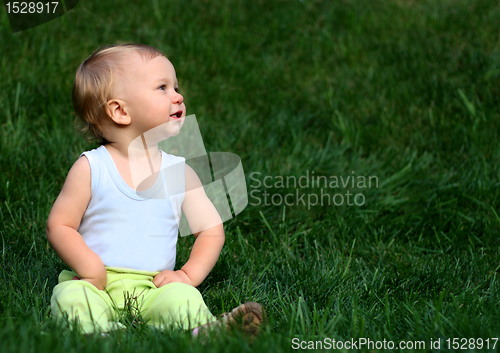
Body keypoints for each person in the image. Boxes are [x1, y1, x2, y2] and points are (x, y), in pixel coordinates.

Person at [46, 43, 265, 337]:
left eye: (176, 86)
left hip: (153, 286)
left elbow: (211, 230)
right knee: (71, 298)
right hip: (94, 281)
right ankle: (96, 333)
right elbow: (60, 225)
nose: (179, 96)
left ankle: (209, 332)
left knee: (183, 299)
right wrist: (90, 267)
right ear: (120, 110)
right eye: (163, 87)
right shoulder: (91, 168)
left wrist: (187, 275)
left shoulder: (180, 173)